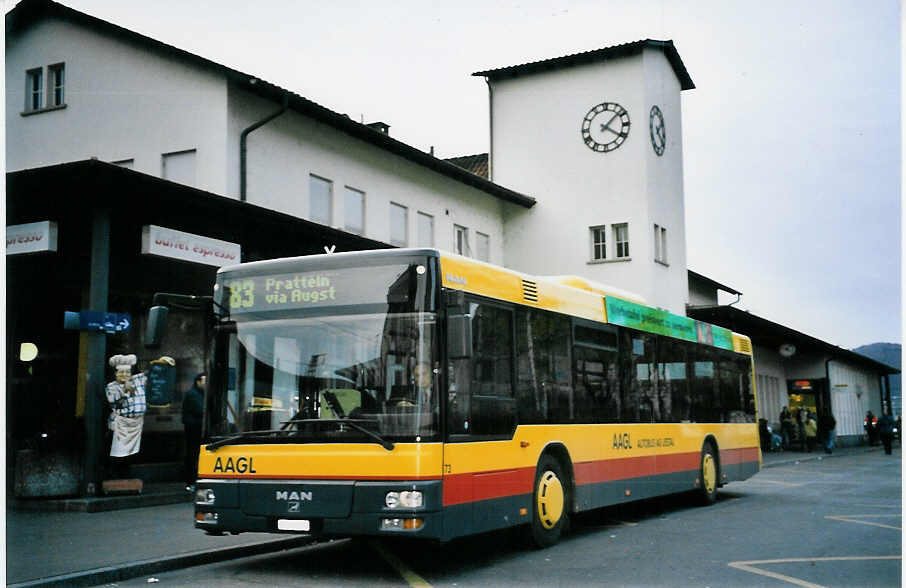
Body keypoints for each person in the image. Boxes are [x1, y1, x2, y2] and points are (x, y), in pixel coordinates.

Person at [105, 354, 174, 478]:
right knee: (118, 453)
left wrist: (162, 362)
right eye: (121, 372)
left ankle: (127, 476)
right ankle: (116, 476)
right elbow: (113, 401)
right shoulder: (112, 386)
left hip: (136, 424)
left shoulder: (137, 380)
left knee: (132, 453)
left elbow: (152, 374)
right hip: (121, 424)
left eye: (127, 372)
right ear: (115, 374)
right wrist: (125, 391)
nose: (125, 375)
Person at [182, 372, 206, 492]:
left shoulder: (201, 394)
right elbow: (200, 410)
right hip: (193, 429)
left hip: (197, 428)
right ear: (198, 382)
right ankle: (190, 481)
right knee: (193, 455)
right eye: (204, 381)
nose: (206, 384)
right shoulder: (193, 394)